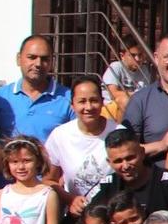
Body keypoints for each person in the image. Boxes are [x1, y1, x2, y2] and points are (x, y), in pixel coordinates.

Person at [44, 76, 115, 214]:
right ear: (72, 105)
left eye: (94, 100)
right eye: (82, 101)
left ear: (102, 102)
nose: (88, 107)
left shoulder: (119, 132)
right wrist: (70, 199)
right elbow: (48, 180)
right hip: (77, 216)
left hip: (112, 215)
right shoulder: (60, 135)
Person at [122, 33, 168, 159]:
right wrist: (161, 145)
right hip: (157, 177)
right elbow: (125, 150)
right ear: (156, 58)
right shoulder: (140, 101)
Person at [0, 35, 72, 143]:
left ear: (52, 63)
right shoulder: (1, 98)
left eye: (44, 59)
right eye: (32, 57)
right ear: (18, 59)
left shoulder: (67, 98)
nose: (38, 64)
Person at [101, 38, 149, 116]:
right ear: (122, 56)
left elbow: (147, 95)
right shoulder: (116, 67)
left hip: (136, 108)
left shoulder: (144, 70)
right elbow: (113, 94)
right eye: (133, 55)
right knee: (124, 100)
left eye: (140, 55)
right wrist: (138, 96)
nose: (138, 59)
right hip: (112, 109)